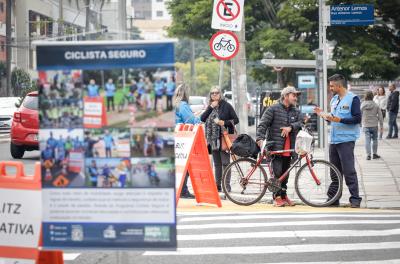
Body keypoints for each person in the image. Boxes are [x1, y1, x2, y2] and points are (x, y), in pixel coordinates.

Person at [314, 74, 362, 208]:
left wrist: (339, 120)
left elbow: (357, 119)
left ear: (339, 85)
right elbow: (333, 118)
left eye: (332, 86)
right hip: (334, 140)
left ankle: (355, 199)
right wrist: (323, 114)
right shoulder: (334, 99)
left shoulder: (353, 99)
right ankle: (333, 199)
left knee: (349, 171)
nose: (330, 88)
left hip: (346, 140)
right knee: (334, 171)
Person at [256, 86, 302, 207]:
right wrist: (260, 138)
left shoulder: (296, 111)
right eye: (294, 95)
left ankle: (283, 195)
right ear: (286, 96)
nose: (295, 98)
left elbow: (301, 123)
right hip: (276, 146)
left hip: (290, 147)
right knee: (277, 173)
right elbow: (263, 124)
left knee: (285, 174)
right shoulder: (273, 109)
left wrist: (291, 127)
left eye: (296, 96)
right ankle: (276, 197)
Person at [201, 86, 239, 193]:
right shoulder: (210, 106)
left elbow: (236, 120)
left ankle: (226, 186)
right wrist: (210, 108)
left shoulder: (226, 106)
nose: (214, 95)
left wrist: (224, 122)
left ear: (220, 94)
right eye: (212, 93)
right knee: (217, 164)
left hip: (224, 138)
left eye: (216, 93)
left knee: (226, 163)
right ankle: (218, 185)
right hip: (213, 140)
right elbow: (202, 119)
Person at [175, 83, 200, 198]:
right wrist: (198, 117)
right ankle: (183, 190)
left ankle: (178, 189)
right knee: (186, 166)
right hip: (183, 138)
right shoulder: (183, 105)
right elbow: (192, 121)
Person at [361, 91, 383, 160]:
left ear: (366, 96)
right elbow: (380, 116)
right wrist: (381, 126)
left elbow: (359, 113)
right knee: (375, 139)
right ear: (372, 96)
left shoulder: (362, 105)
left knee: (367, 140)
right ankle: (374, 154)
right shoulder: (376, 105)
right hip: (374, 125)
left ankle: (368, 155)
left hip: (365, 125)